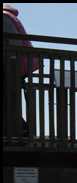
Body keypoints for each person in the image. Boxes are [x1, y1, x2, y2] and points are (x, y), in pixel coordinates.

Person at [3, 4, 41, 139]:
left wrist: (11, 62)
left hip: (13, 65)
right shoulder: (8, 16)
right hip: (15, 64)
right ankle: (21, 134)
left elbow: (15, 42)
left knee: (9, 102)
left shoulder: (4, 17)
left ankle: (23, 134)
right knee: (9, 101)